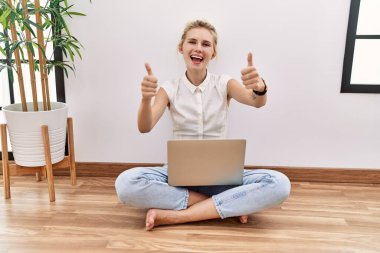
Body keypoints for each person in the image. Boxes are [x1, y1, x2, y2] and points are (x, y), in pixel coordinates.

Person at [115, 20, 291, 231]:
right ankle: (228, 204)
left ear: (213, 53)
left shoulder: (225, 83)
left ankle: (178, 216)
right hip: (177, 176)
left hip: (222, 176)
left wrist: (260, 87)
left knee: (280, 184)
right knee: (125, 184)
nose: (199, 48)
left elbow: (256, 101)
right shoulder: (169, 88)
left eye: (206, 44)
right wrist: (145, 99)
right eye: (192, 42)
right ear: (181, 48)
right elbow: (145, 126)